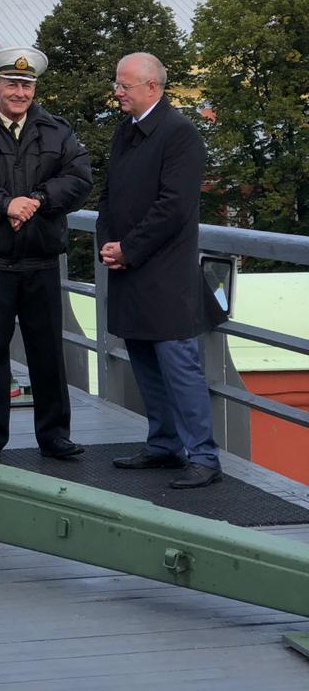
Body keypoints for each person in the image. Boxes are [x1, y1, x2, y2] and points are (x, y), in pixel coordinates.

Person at [0, 47, 92, 462]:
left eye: (26, 85)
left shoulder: (56, 131)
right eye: (12, 84)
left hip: (41, 259)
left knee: (48, 353)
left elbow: (79, 178)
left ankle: (55, 436)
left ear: (34, 89)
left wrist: (37, 200)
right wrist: (6, 204)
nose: (20, 92)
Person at [97, 52, 227, 489]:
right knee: (146, 363)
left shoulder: (180, 134)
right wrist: (107, 246)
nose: (117, 92)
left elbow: (173, 208)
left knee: (179, 367)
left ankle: (204, 457)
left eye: (124, 86)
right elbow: (110, 198)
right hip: (131, 269)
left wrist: (126, 249)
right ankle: (164, 444)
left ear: (152, 87)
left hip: (165, 275)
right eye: (117, 84)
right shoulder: (126, 132)